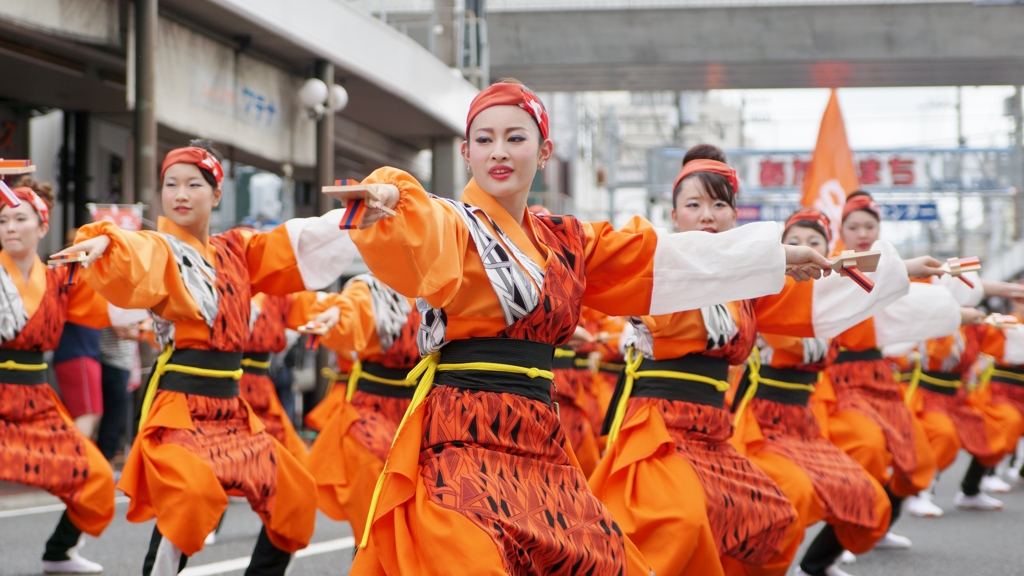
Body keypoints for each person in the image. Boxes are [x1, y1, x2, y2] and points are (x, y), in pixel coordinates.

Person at [344, 80, 830, 575]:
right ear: (466, 152)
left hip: (538, 433)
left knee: (608, 565)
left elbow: (654, 256)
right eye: (485, 140)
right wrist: (392, 199)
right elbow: (420, 223)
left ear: (544, 150)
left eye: (516, 138)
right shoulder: (455, 224)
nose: (500, 152)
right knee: (474, 560)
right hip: (461, 432)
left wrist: (775, 254)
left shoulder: (569, 241)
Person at [590, 149, 928, 576]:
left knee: (774, 526)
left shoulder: (747, 287)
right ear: (674, 216)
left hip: (714, 431)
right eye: (693, 205)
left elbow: (818, 294)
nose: (707, 215)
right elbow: (612, 269)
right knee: (679, 525)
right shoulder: (660, 268)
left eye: (719, 205)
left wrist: (905, 269)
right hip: (660, 431)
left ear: (735, 215)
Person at [58, 140, 357, 576]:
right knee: (192, 499)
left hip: (233, 409)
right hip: (182, 407)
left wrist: (349, 219)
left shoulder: (238, 249)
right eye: (170, 184)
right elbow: (138, 251)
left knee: (294, 493)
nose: (180, 193)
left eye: (193, 184)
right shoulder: (162, 249)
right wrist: (105, 243)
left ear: (216, 195)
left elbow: (292, 243)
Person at [730, 209, 928, 576]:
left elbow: (858, 283)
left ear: (826, 251)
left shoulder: (830, 306)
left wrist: (914, 267)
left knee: (867, 495)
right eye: (795, 243)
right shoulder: (764, 292)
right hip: (758, 423)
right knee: (785, 498)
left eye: (814, 243)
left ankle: (816, 564)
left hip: (803, 423)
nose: (804, 249)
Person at [814, 191, 967, 553]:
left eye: (870, 226)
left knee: (915, 459)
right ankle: (832, 546)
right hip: (841, 379)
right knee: (865, 451)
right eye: (854, 226)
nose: (862, 232)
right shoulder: (833, 267)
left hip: (880, 375)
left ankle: (877, 528)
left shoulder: (890, 270)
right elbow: (862, 268)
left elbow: (936, 294)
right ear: (842, 230)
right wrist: (907, 265)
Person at [0, 176, 116, 574]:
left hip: (36, 400)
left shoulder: (61, 279)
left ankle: (60, 552)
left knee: (96, 475)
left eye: (20, 218)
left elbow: (109, 289)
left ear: (43, 227)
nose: (10, 228)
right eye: (2, 220)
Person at [304, 273, 421, 542]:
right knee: (374, 493)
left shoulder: (435, 285)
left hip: (419, 411)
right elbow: (352, 308)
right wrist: (336, 314)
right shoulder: (369, 287)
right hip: (372, 409)